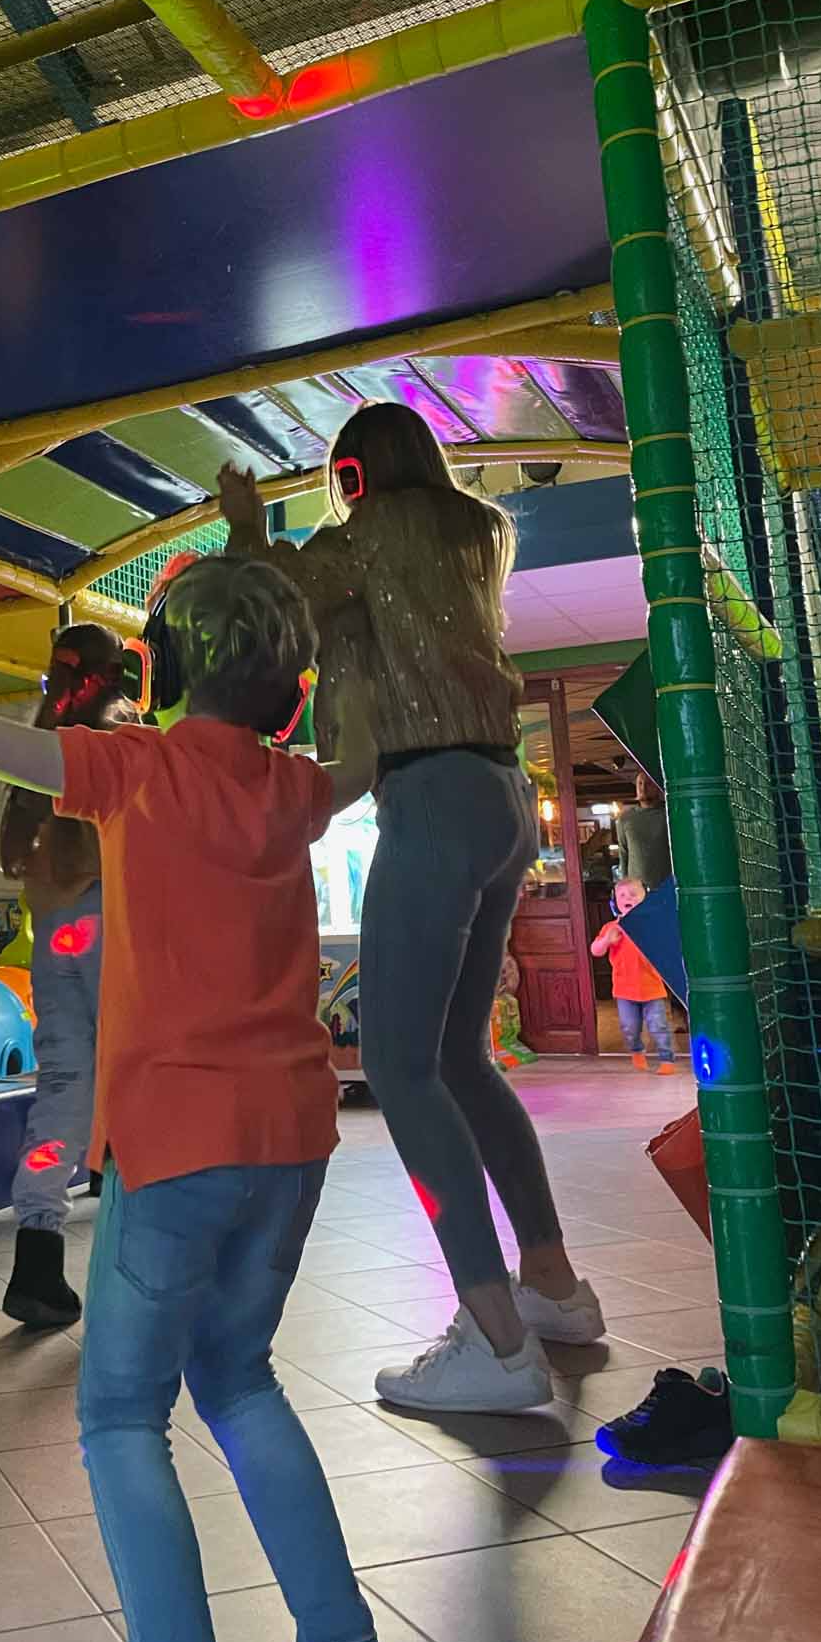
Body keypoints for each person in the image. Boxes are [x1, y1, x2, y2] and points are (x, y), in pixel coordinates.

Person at [0, 527, 381, 1642]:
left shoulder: (137, 769)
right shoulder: (296, 787)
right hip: (295, 1139)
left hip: (177, 1143)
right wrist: (356, 648)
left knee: (121, 1415)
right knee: (239, 1377)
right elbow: (361, 759)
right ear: (286, 691)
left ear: (163, 669)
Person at [221, 402, 604, 1415]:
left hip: (429, 795)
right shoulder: (475, 533)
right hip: (501, 794)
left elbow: (278, 597)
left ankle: (496, 1336)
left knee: (396, 1066)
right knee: (464, 1060)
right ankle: (553, 1285)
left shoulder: (371, 533)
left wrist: (251, 527)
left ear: (355, 474)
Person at [0, 624, 133, 1328]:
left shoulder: (40, 738)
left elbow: (10, 853)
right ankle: (135, 1260)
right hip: (114, 920)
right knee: (134, 1078)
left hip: (55, 930)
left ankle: (38, 1255)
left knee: (63, 1086)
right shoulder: (123, 729)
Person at [592, 877, 677, 1073]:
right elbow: (595, 950)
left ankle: (667, 1059)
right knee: (629, 1027)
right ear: (614, 902)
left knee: (659, 1026)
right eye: (622, 895)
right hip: (624, 990)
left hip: (652, 988)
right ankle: (637, 1051)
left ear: (645, 898)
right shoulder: (611, 928)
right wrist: (606, 940)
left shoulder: (652, 926)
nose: (627, 898)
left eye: (633, 894)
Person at [618, 771, 672, 889]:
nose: (643, 788)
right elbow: (623, 854)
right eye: (640, 783)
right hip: (636, 890)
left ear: (657, 786)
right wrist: (624, 886)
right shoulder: (626, 818)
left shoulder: (669, 813)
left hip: (666, 886)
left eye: (648, 783)